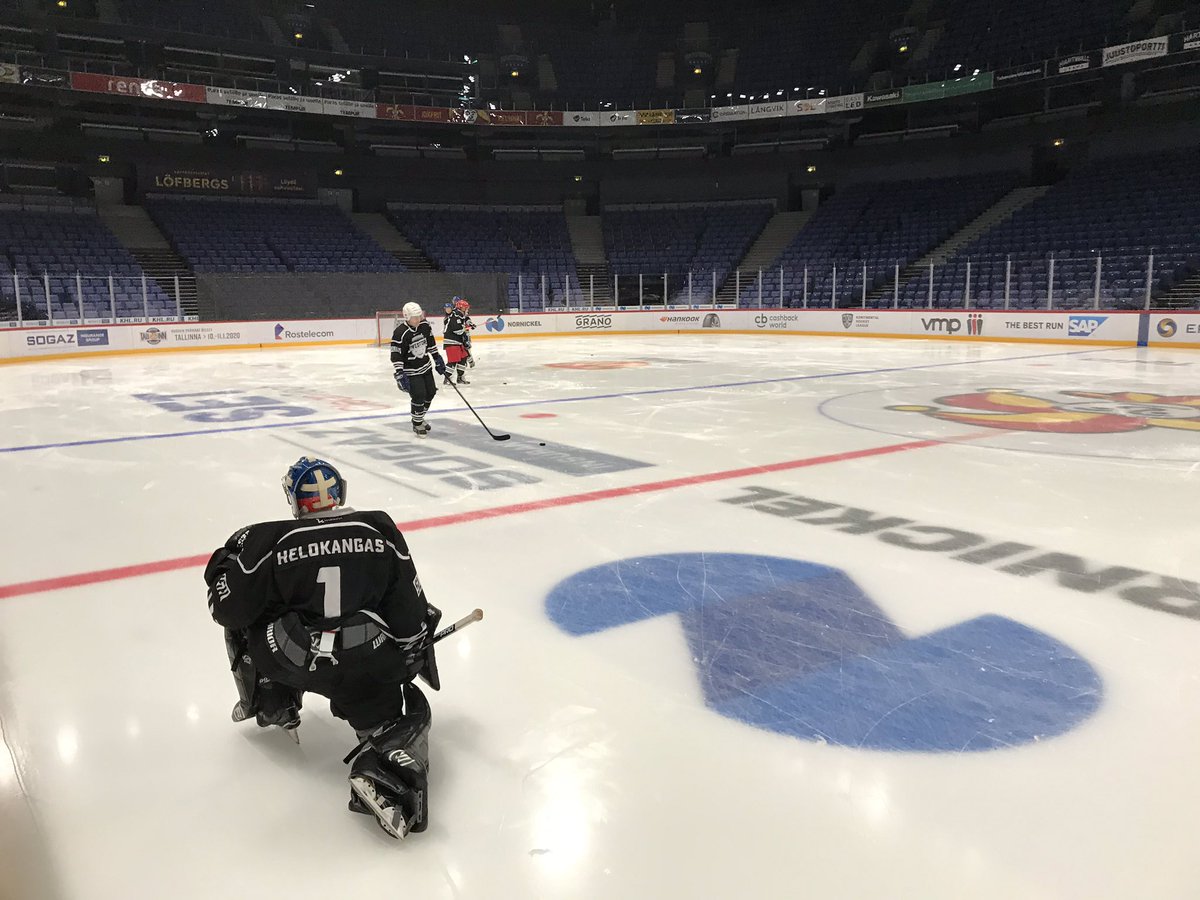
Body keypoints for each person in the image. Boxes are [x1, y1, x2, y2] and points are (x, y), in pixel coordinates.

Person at [203, 456, 443, 840]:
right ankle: (383, 749)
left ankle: (271, 701)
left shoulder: (270, 539)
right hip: (367, 658)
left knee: (250, 621)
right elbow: (410, 614)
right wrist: (408, 657)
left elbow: (226, 609)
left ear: (294, 500)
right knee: (373, 676)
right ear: (340, 492)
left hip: (296, 658)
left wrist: (226, 560)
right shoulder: (379, 528)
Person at [390, 301, 446, 437]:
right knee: (419, 395)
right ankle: (417, 423)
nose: (418, 319)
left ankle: (419, 417)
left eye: (419, 316)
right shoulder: (400, 332)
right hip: (411, 371)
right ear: (407, 317)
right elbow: (396, 354)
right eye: (414, 317)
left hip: (426, 367)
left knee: (431, 392)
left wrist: (437, 358)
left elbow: (430, 342)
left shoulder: (424, 326)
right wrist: (399, 372)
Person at [441, 296, 474, 386]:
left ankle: (460, 378)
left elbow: (466, 320)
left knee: (463, 358)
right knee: (453, 361)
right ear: (461, 308)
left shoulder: (460, 315)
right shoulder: (455, 315)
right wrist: (465, 332)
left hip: (457, 342)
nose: (467, 309)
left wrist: (470, 325)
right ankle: (447, 379)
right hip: (451, 342)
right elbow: (457, 330)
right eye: (465, 308)